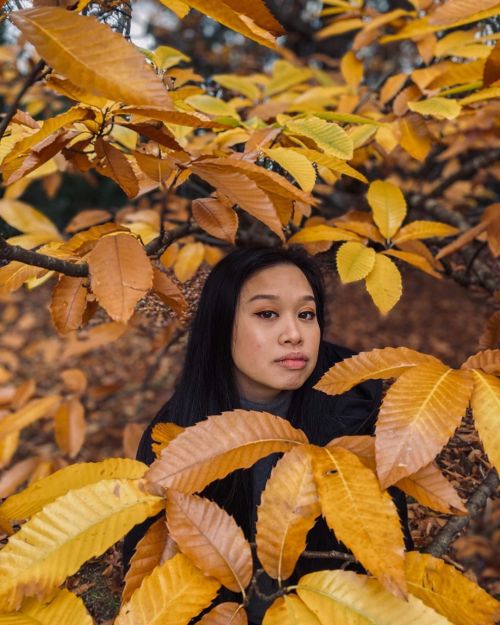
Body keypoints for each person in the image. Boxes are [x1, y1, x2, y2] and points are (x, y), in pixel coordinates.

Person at [123, 245, 413, 623]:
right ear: (221, 325)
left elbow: (392, 545)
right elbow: (149, 581)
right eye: (267, 314)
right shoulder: (176, 437)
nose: (294, 334)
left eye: (306, 314)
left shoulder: (355, 408)